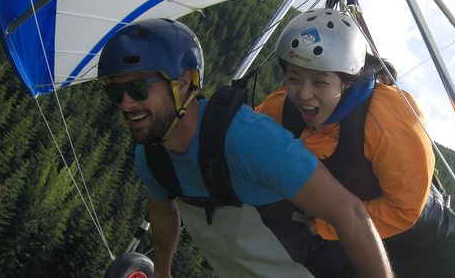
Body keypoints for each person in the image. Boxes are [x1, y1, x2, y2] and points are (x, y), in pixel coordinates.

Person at [97, 18, 392, 278]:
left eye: (137, 89)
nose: (126, 103)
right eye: (115, 91)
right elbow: (162, 213)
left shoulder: (247, 139)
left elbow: (349, 212)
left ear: (183, 82)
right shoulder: (151, 155)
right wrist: (162, 270)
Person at [255, 8, 455, 277]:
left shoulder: (388, 121)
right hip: (352, 242)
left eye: (319, 82)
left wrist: (326, 224)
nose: (304, 93)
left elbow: (404, 209)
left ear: (347, 82)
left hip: (425, 243)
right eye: (294, 78)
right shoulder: (279, 109)